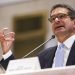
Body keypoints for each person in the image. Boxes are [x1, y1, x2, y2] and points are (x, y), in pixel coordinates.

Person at [0, 4, 75, 70]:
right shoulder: (44, 55)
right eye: (52, 18)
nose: (56, 20)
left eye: (61, 16)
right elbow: (19, 72)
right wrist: (7, 52)